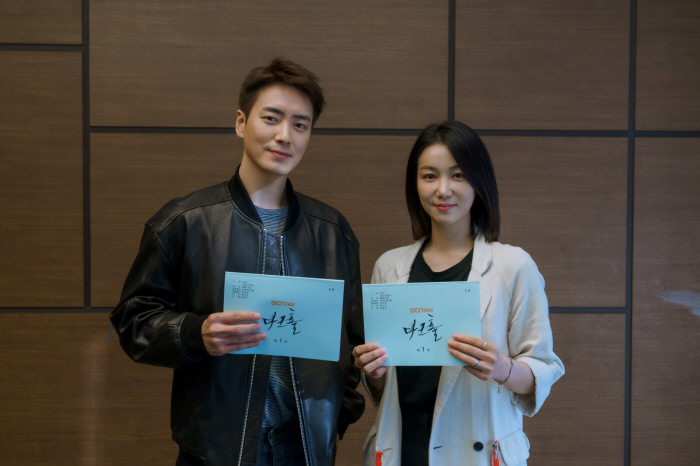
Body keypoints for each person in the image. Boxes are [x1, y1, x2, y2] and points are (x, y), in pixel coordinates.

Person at [110, 58, 365, 466]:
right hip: (217, 451)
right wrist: (195, 333)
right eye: (272, 118)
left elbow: (352, 340)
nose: (285, 136)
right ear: (241, 122)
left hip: (305, 450)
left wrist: (340, 412)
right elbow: (133, 321)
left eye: (300, 125)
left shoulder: (333, 232)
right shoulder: (186, 221)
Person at [353, 121, 564, 466]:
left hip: (476, 450)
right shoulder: (388, 267)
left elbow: (542, 369)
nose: (443, 189)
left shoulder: (513, 266)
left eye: (458, 175)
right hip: (402, 448)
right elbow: (385, 387)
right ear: (414, 184)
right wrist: (375, 373)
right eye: (429, 176)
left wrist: (500, 367)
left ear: (479, 182)